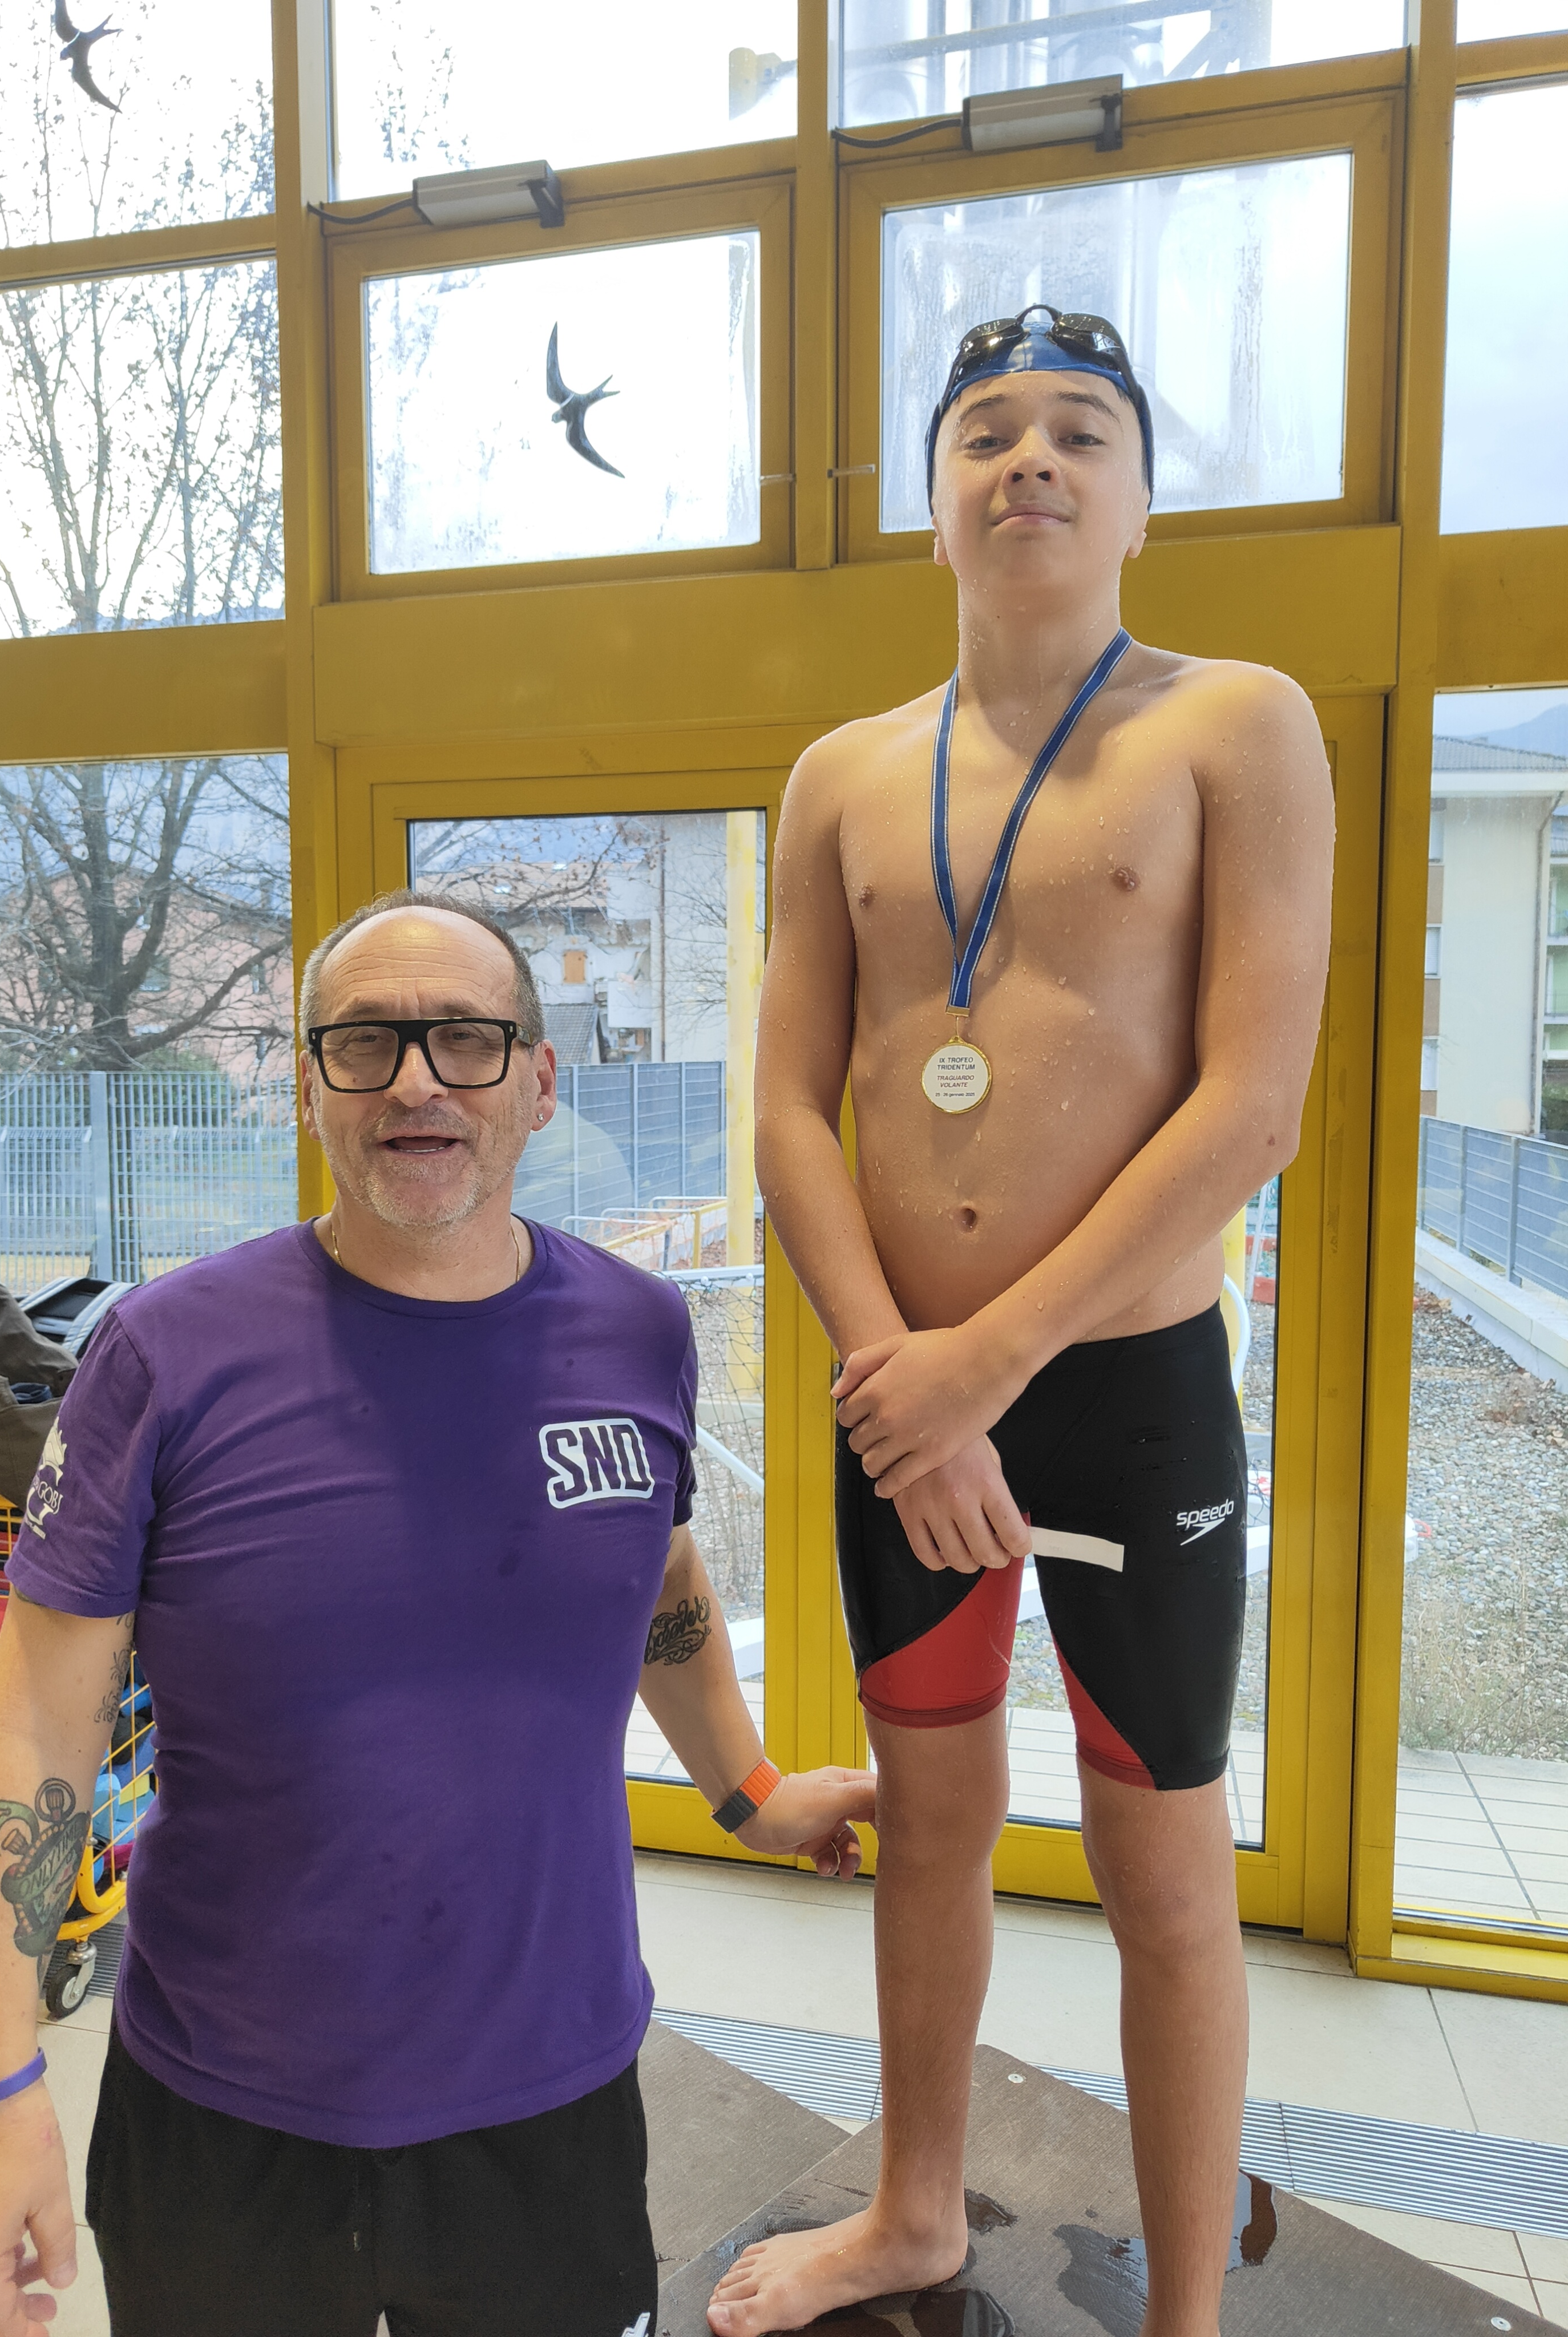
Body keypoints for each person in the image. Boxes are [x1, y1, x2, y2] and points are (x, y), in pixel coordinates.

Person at [0, 889, 876, 2337]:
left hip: (548, 2097)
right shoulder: (167, 1355)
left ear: (540, 1081)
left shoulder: (639, 1329)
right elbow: (35, 1727)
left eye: (467, 1039)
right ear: (309, 1084)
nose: (418, 1078)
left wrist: (749, 1791)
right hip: (224, 2109)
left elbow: (655, 1573)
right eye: (366, 1041)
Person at [709, 307, 1333, 2336]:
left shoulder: (1235, 727)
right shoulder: (841, 774)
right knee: (930, 1829)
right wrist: (902, 1369)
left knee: (1166, 1867)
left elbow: (1250, 1105)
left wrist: (986, 1363)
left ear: (1141, 500)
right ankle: (912, 2209)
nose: (1031, 459)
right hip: (898, 1391)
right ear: (936, 503)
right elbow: (787, 1104)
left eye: (1080, 431)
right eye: (985, 431)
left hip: (1119, 1394)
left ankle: (1185, 2313)